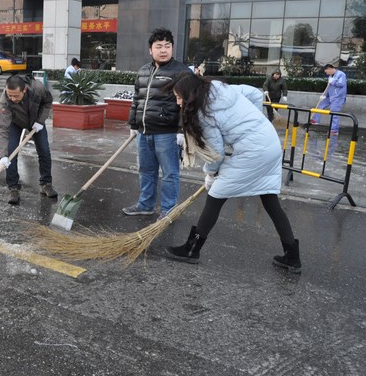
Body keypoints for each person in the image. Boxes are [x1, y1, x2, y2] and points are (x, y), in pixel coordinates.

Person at [164, 71, 301, 273]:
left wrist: (210, 174)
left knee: (216, 195)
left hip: (253, 151)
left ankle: (192, 249)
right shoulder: (221, 88)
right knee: (270, 200)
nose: (177, 102)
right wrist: (255, 121)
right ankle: (292, 257)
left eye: (178, 97)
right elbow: (255, 93)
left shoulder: (203, 113)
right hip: (270, 142)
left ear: (190, 94)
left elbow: (216, 154)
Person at [124, 28, 188, 217]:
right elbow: (137, 100)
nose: (163, 50)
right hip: (144, 132)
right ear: (150, 50)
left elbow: (187, 103)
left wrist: (182, 130)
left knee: (169, 174)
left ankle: (169, 210)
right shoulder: (144, 71)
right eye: (158, 46)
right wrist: (133, 125)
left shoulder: (181, 71)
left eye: (167, 46)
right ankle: (145, 205)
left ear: (172, 49)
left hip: (167, 133)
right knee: (146, 170)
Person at [0, 74, 56, 205]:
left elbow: (48, 102)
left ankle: (46, 184)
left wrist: (40, 121)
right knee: (10, 154)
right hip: (15, 122)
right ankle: (13, 188)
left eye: (15, 96)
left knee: (44, 151)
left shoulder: (37, 88)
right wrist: (2, 156)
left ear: (24, 90)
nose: (12, 98)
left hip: (36, 122)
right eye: (9, 95)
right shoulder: (5, 101)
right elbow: (1, 128)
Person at [310, 64, 347, 136]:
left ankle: (334, 130)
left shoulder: (341, 74)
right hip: (330, 96)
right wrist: (324, 95)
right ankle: (315, 120)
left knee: (334, 113)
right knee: (320, 105)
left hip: (338, 97)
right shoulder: (331, 76)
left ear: (330, 69)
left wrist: (333, 82)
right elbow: (329, 87)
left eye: (327, 72)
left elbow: (341, 84)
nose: (327, 74)